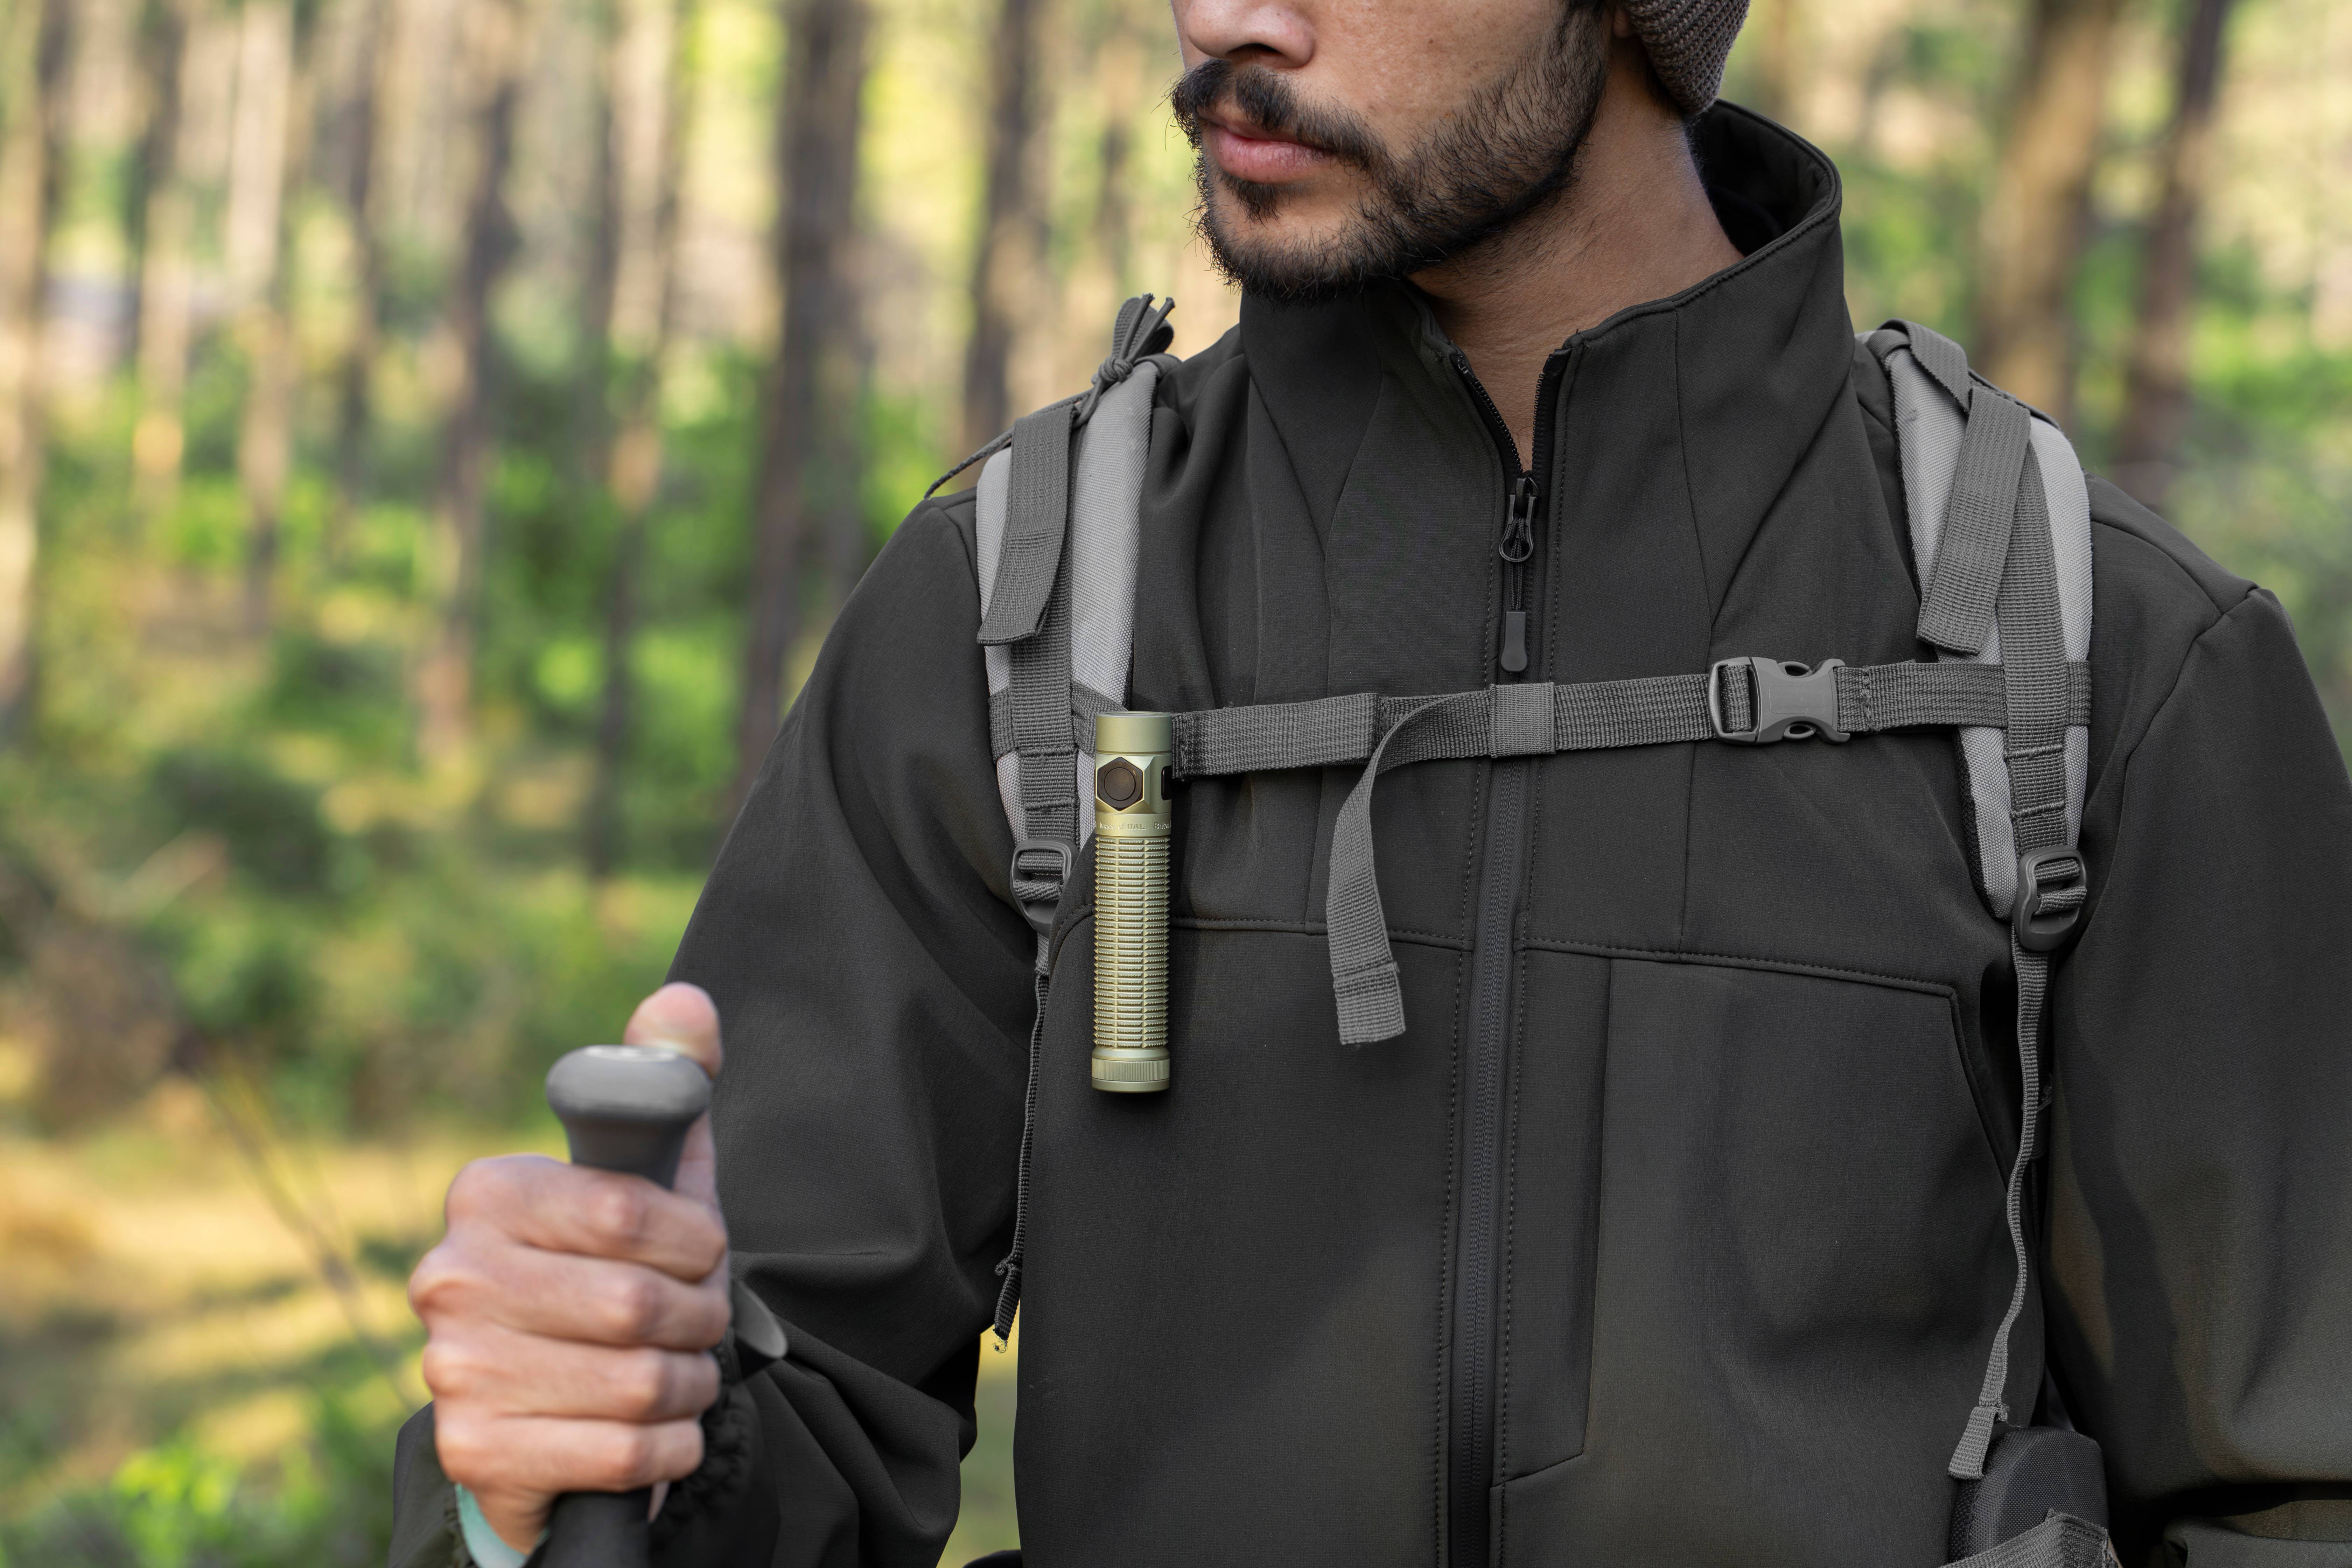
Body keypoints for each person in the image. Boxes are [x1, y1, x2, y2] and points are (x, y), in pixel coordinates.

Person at [390, 0, 2352, 1562]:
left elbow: (2293, 1488)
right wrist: (576, 1458)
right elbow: (781, 1444)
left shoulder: (2092, 663)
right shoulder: (1022, 612)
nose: (1225, 16)